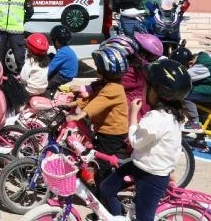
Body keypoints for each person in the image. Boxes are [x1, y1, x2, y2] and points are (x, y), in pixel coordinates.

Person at [100, 59, 192, 221]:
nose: (142, 89)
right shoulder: (173, 114)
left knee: (144, 217)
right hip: (141, 166)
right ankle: (118, 217)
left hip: (152, 177)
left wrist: (133, 114)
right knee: (106, 188)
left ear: (156, 92)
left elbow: (135, 141)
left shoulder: (156, 119)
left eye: (145, 85)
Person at [67, 46, 129, 186]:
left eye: (97, 67)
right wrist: (73, 104)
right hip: (103, 130)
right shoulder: (104, 84)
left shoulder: (114, 88)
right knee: (91, 157)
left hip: (112, 133)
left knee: (100, 165)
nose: (96, 70)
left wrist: (79, 115)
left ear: (103, 70)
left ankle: (101, 192)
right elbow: (89, 98)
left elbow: (97, 103)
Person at [170, 46, 211, 133]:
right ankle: (201, 120)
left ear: (190, 63)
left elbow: (182, 77)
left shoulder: (202, 65)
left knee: (183, 92)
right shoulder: (204, 60)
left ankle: (194, 123)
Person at [46, 24, 78, 97]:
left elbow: (50, 69)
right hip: (68, 73)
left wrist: (40, 76)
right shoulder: (66, 49)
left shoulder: (62, 53)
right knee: (51, 55)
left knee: (47, 85)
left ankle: (48, 99)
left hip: (65, 76)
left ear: (56, 41)